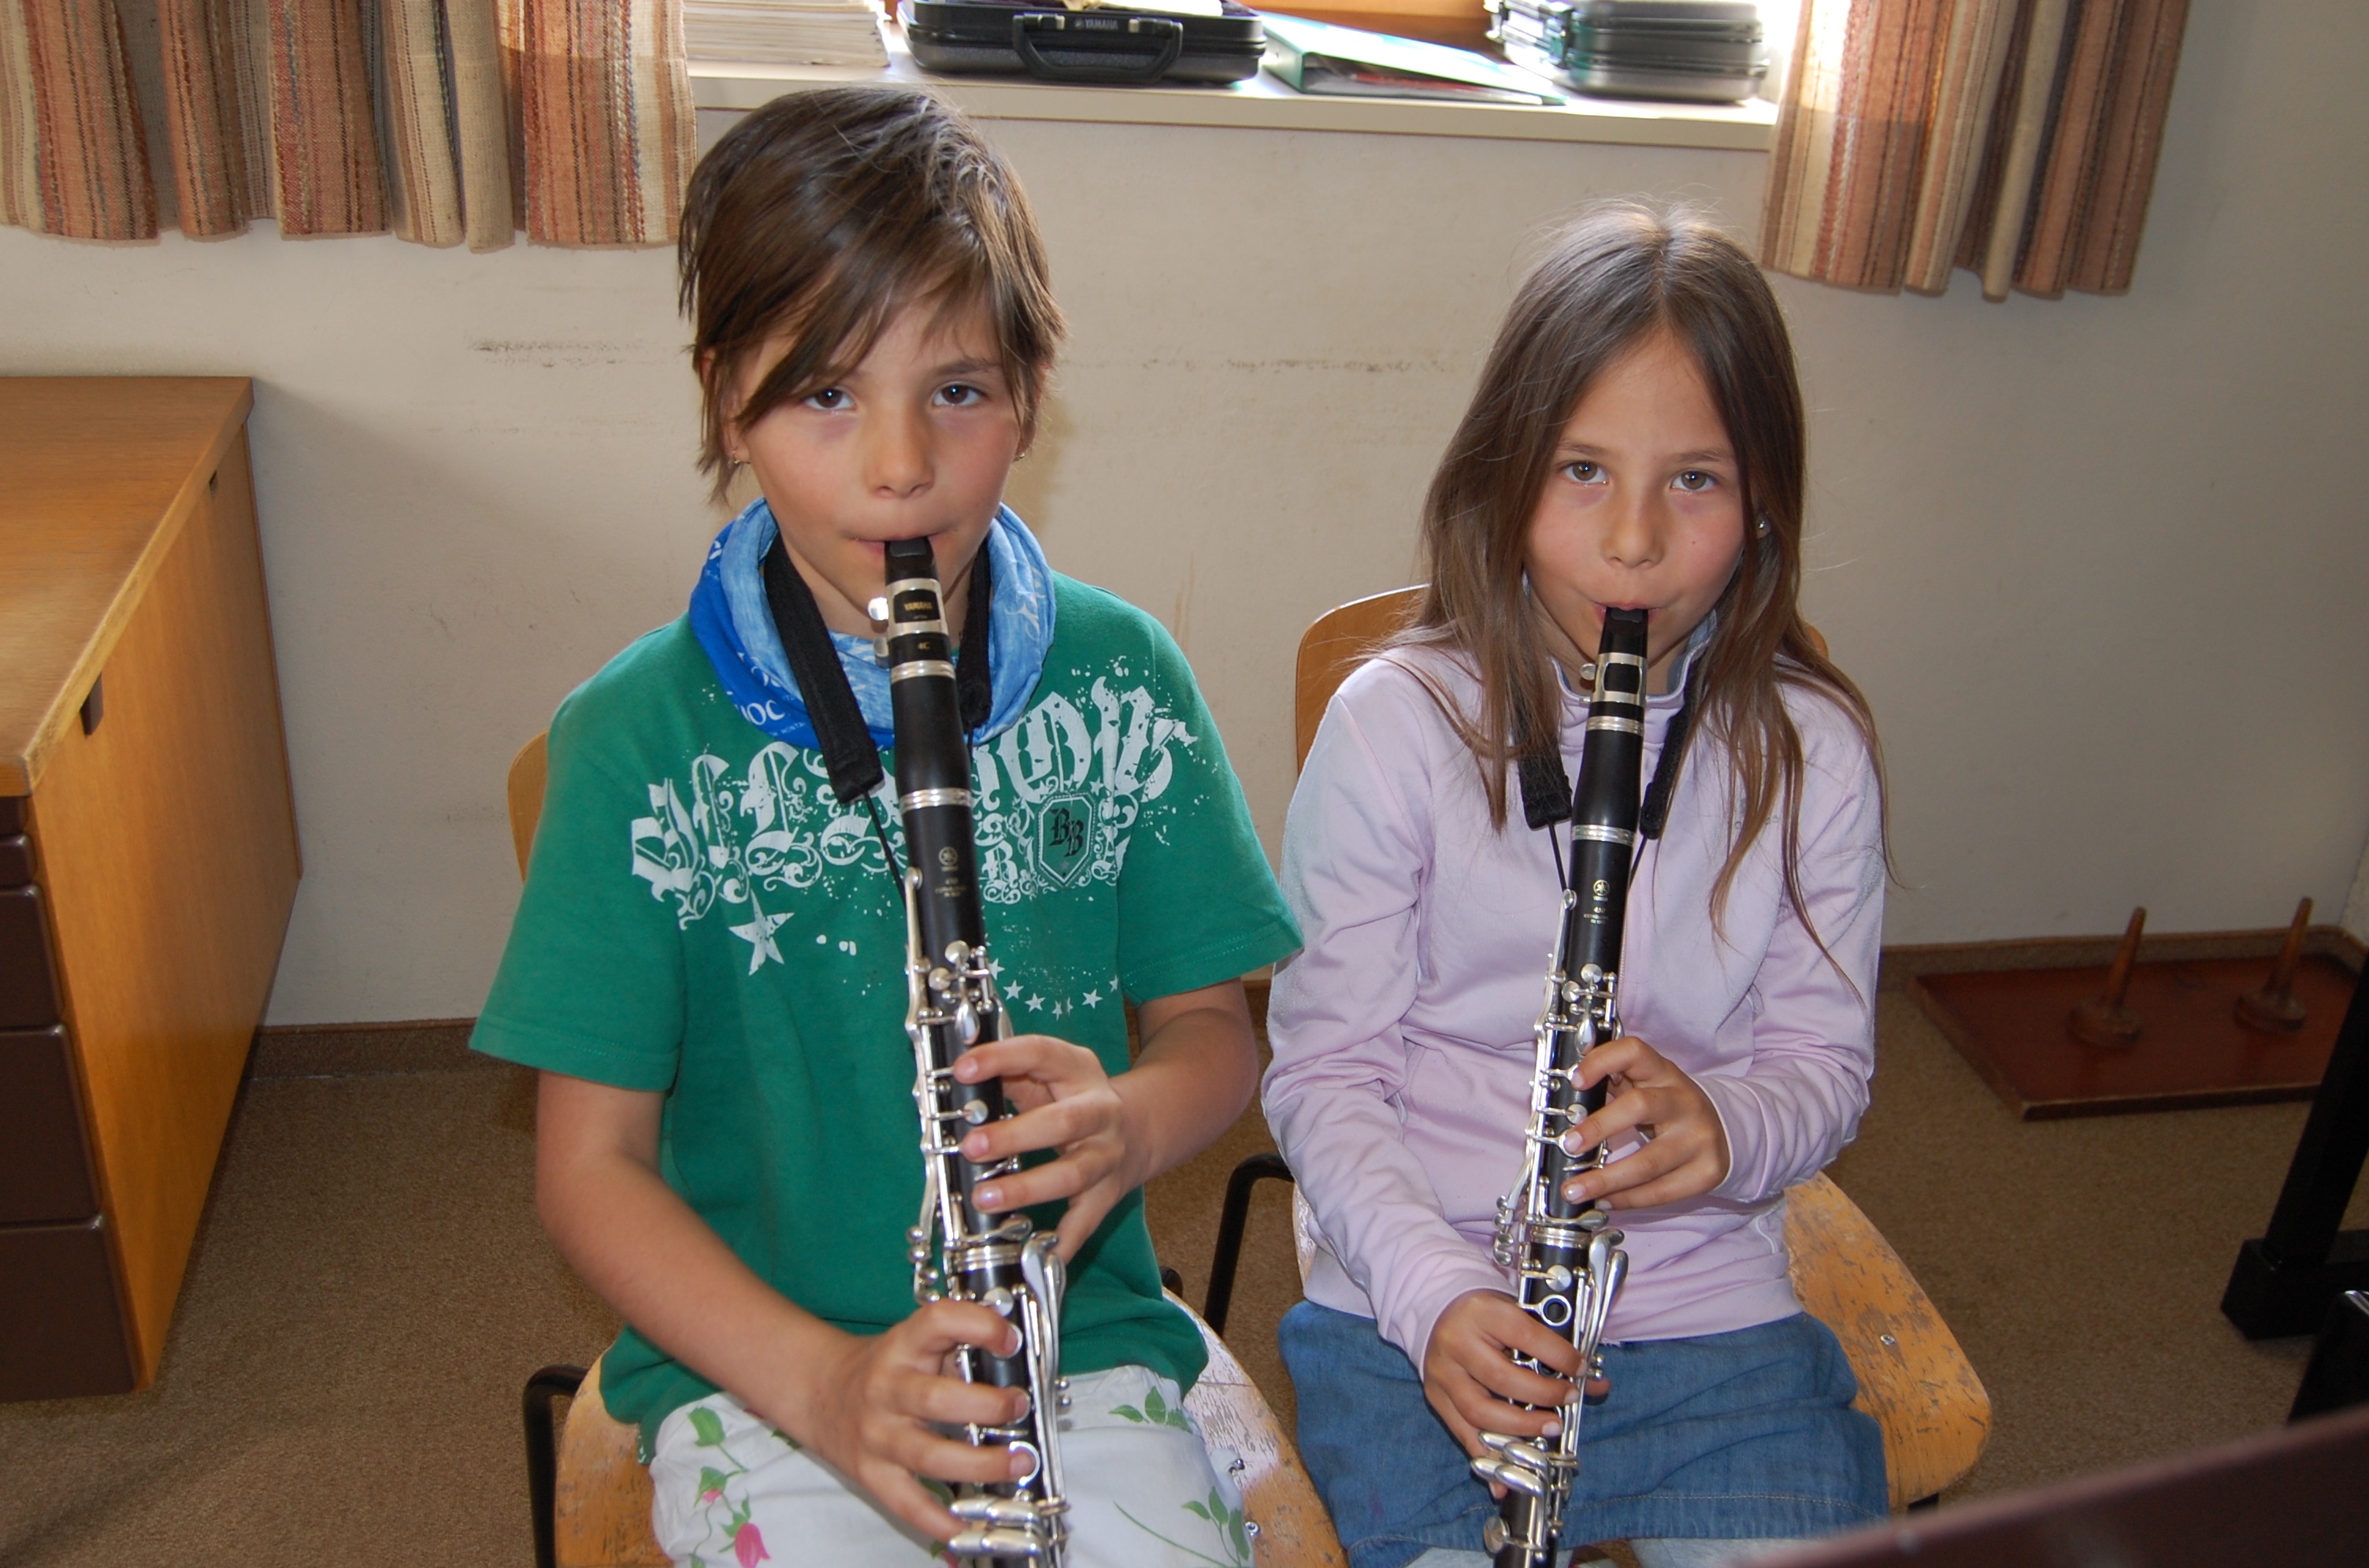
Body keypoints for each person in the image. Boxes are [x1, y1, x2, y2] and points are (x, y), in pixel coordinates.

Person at [472, 87, 1297, 1568]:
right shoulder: (634, 739)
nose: (901, 464)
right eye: (827, 396)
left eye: (958, 391)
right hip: (761, 1376)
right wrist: (823, 1383)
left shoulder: (1123, 682)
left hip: (1074, 1349)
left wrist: (1129, 1121)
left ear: (1031, 393)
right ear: (728, 400)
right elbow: (587, 1171)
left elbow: (1212, 1036)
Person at [1262, 204, 1892, 1568]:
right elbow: (1322, 1074)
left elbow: (1824, 1069)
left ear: (1765, 501)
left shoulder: (1812, 752)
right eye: (1583, 470)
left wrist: (1728, 1125)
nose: (1634, 543)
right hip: (1423, 1317)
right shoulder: (1396, 727)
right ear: (1502, 476)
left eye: (1696, 480)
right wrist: (1434, 1293)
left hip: (1710, 1317)